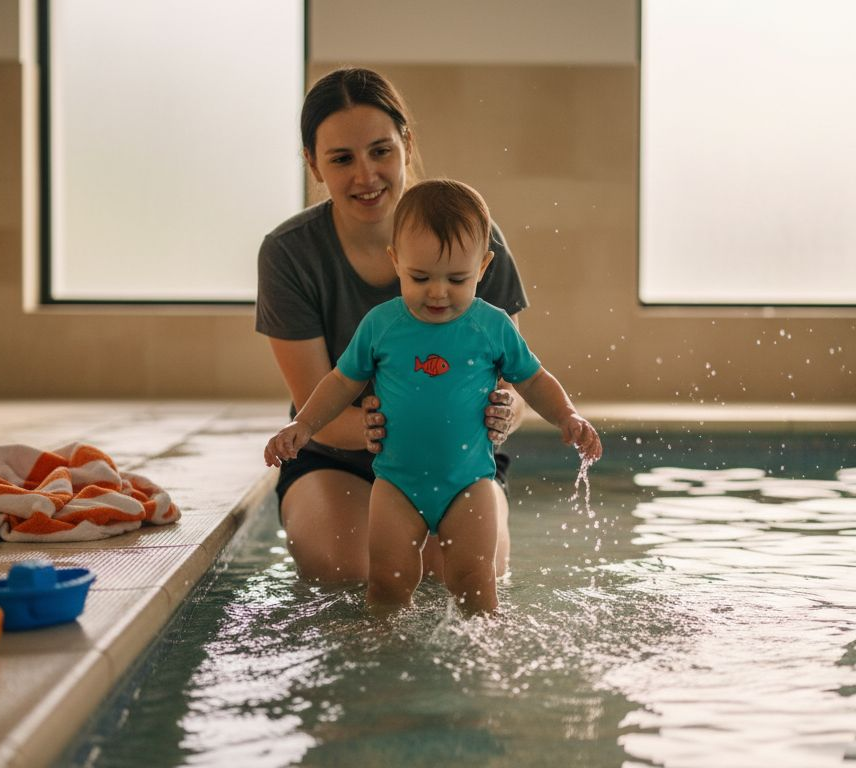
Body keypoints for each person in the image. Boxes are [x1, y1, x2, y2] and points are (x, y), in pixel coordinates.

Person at [264, 180, 602, 614]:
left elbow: (533, 380)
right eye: (420, 277)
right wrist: (304, 424)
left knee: (475, 584)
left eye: (457, 279)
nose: (438, 292)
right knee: (386, 582)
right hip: (396, 485)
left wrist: (567, 415)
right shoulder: (381, 325)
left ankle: (482, 649)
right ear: (396, 261)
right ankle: (381, 644)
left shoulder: (492, 326)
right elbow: (341, 382)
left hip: (469, 483)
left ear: (483, 266)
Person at [256, 68, 530, 583]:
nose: (366, 176)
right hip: (336, 458)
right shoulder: (290, 254)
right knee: (355, 570)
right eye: (342, 159)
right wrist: (402, 423)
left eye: (380, 151)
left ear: (406, 144)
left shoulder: (474, 236)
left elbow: (514, 388)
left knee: (465, 577)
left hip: (457, 460)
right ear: (313, 164)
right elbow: (319, 408)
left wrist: (503, 413)